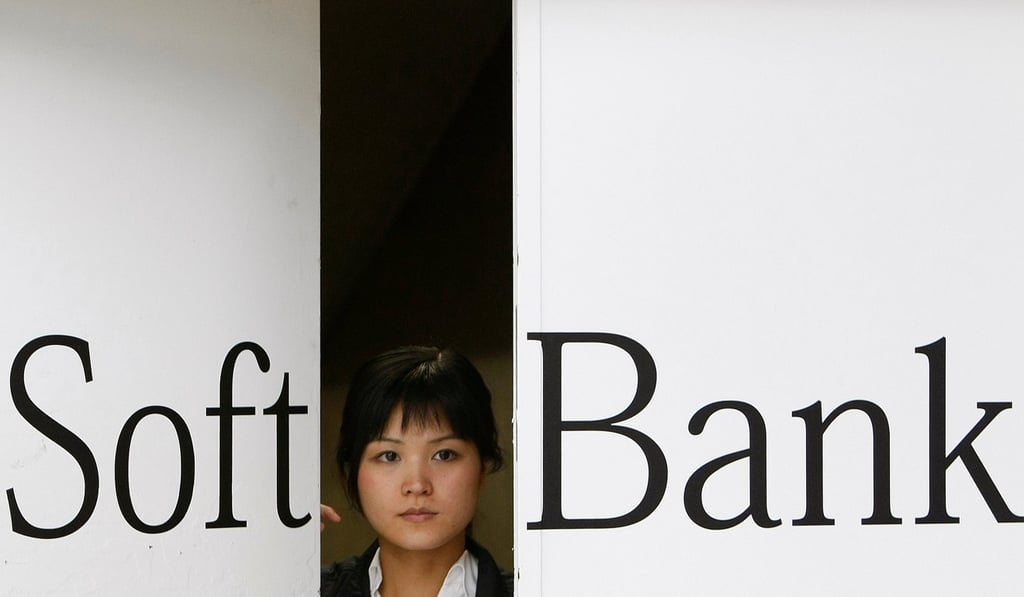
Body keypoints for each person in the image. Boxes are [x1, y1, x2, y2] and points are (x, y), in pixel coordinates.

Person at [321, 346, 513, 597]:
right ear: (354, 471)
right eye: (389, 456)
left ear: (482, 468)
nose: (417, 485)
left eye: (444, 455)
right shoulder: (301, 589)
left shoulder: (542, 589)